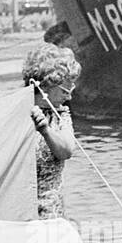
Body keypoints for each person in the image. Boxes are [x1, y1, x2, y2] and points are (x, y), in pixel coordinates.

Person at [21, 43, 80, 219]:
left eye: (72, 89)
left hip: (49, 210)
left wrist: (45, 130)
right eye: (64, 90)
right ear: (45, 86)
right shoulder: (15, 112)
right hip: (17, 207)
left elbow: (67, 151)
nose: (69, 96)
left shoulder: (61, 114)